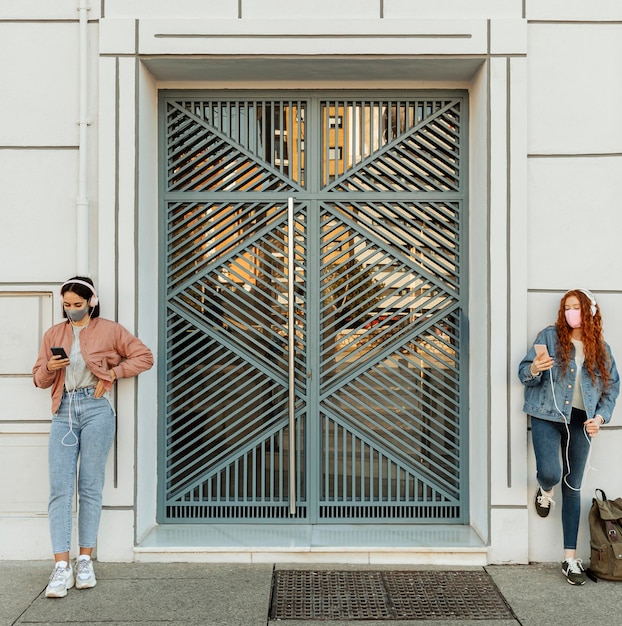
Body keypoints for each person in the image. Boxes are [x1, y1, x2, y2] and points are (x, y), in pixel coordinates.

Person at [32, 277, 153, 598]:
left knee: (89, 485)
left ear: (91, 302)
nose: (72, 310)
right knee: (60, 488)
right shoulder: (53, 334)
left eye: (78, 304)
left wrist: (112, 374)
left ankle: (84, 559)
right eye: (67, 305)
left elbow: (144, 356)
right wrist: (49, 365)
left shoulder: (110, 330)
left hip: (97, 408)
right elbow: (39, 380)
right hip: (64, 411)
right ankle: (61, 566)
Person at [518, 288, 619, 585]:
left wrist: (599, 418)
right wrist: (535, 368)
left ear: (590, 311)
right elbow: (523, 371)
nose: (570, 312)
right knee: (550, 472)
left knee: (573, 486)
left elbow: (611, 389)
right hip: (546, 415)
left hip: (580, 422)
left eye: (576, 307)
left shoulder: (601, 349)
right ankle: (545, 489)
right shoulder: (549, 337)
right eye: (566, 308)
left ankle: (569, 558)